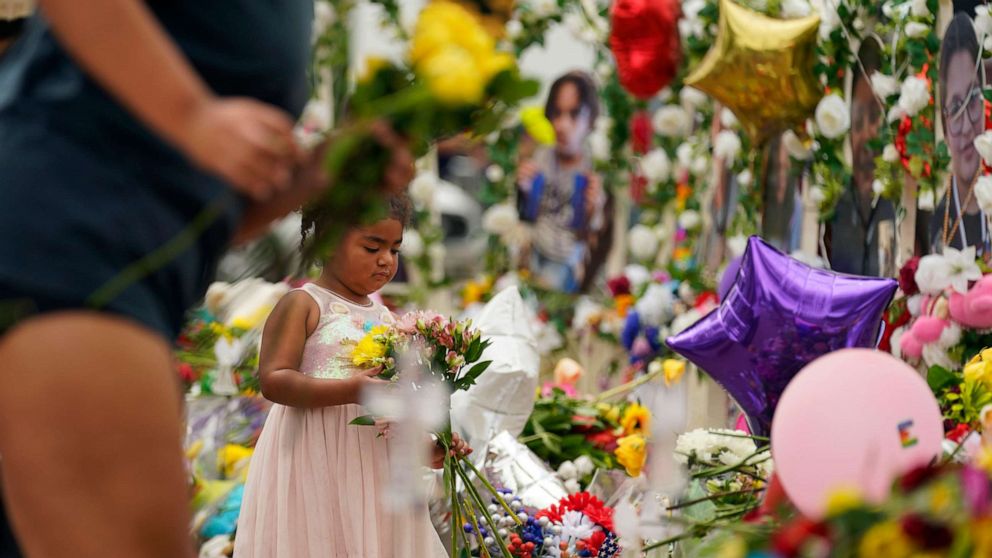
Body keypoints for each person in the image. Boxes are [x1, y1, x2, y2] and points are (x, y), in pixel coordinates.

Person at [0, 2, 413, 557]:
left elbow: (211, 213)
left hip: (131, 273)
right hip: (64, 241)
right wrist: (192, 116)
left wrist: (321, 172)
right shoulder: (306, 303)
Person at [235, 195, 470, 557]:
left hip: (374, 466)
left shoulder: (389, 319)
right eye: (372, 246)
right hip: (314, 457)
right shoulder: (303, 305)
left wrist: (427, 446)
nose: (386, 260)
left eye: (394, 249)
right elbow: (274, 379)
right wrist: (351, 389)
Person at [517, 71, 613, 293]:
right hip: (534, 255)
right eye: (557, 113)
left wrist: (592, 211)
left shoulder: (594, 169)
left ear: (590, 120)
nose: (562, 124)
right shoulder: (541, 157)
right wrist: (523, 192)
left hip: (566, 265)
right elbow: (527, 218)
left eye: (574, 114)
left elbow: (595, 243)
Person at [829, 40, 896, 276]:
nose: (867, 134)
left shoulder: (902, 206)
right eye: (858, 120)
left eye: (876, 116)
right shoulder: (838, 212)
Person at [931, 13, 989, 255]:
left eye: (973, 98)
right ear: (944, 127)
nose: (966, 126)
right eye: (955, 108)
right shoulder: (936, 222)